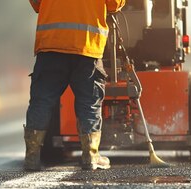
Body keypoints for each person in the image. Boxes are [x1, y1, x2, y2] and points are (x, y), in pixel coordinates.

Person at [24, 0, 126, 171]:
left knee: (41, 101)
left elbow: (36, 4)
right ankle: (91, 156)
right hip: (86, 47)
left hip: (51, 45)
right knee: (89, 103)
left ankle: (32, 157)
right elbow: (115, 4)